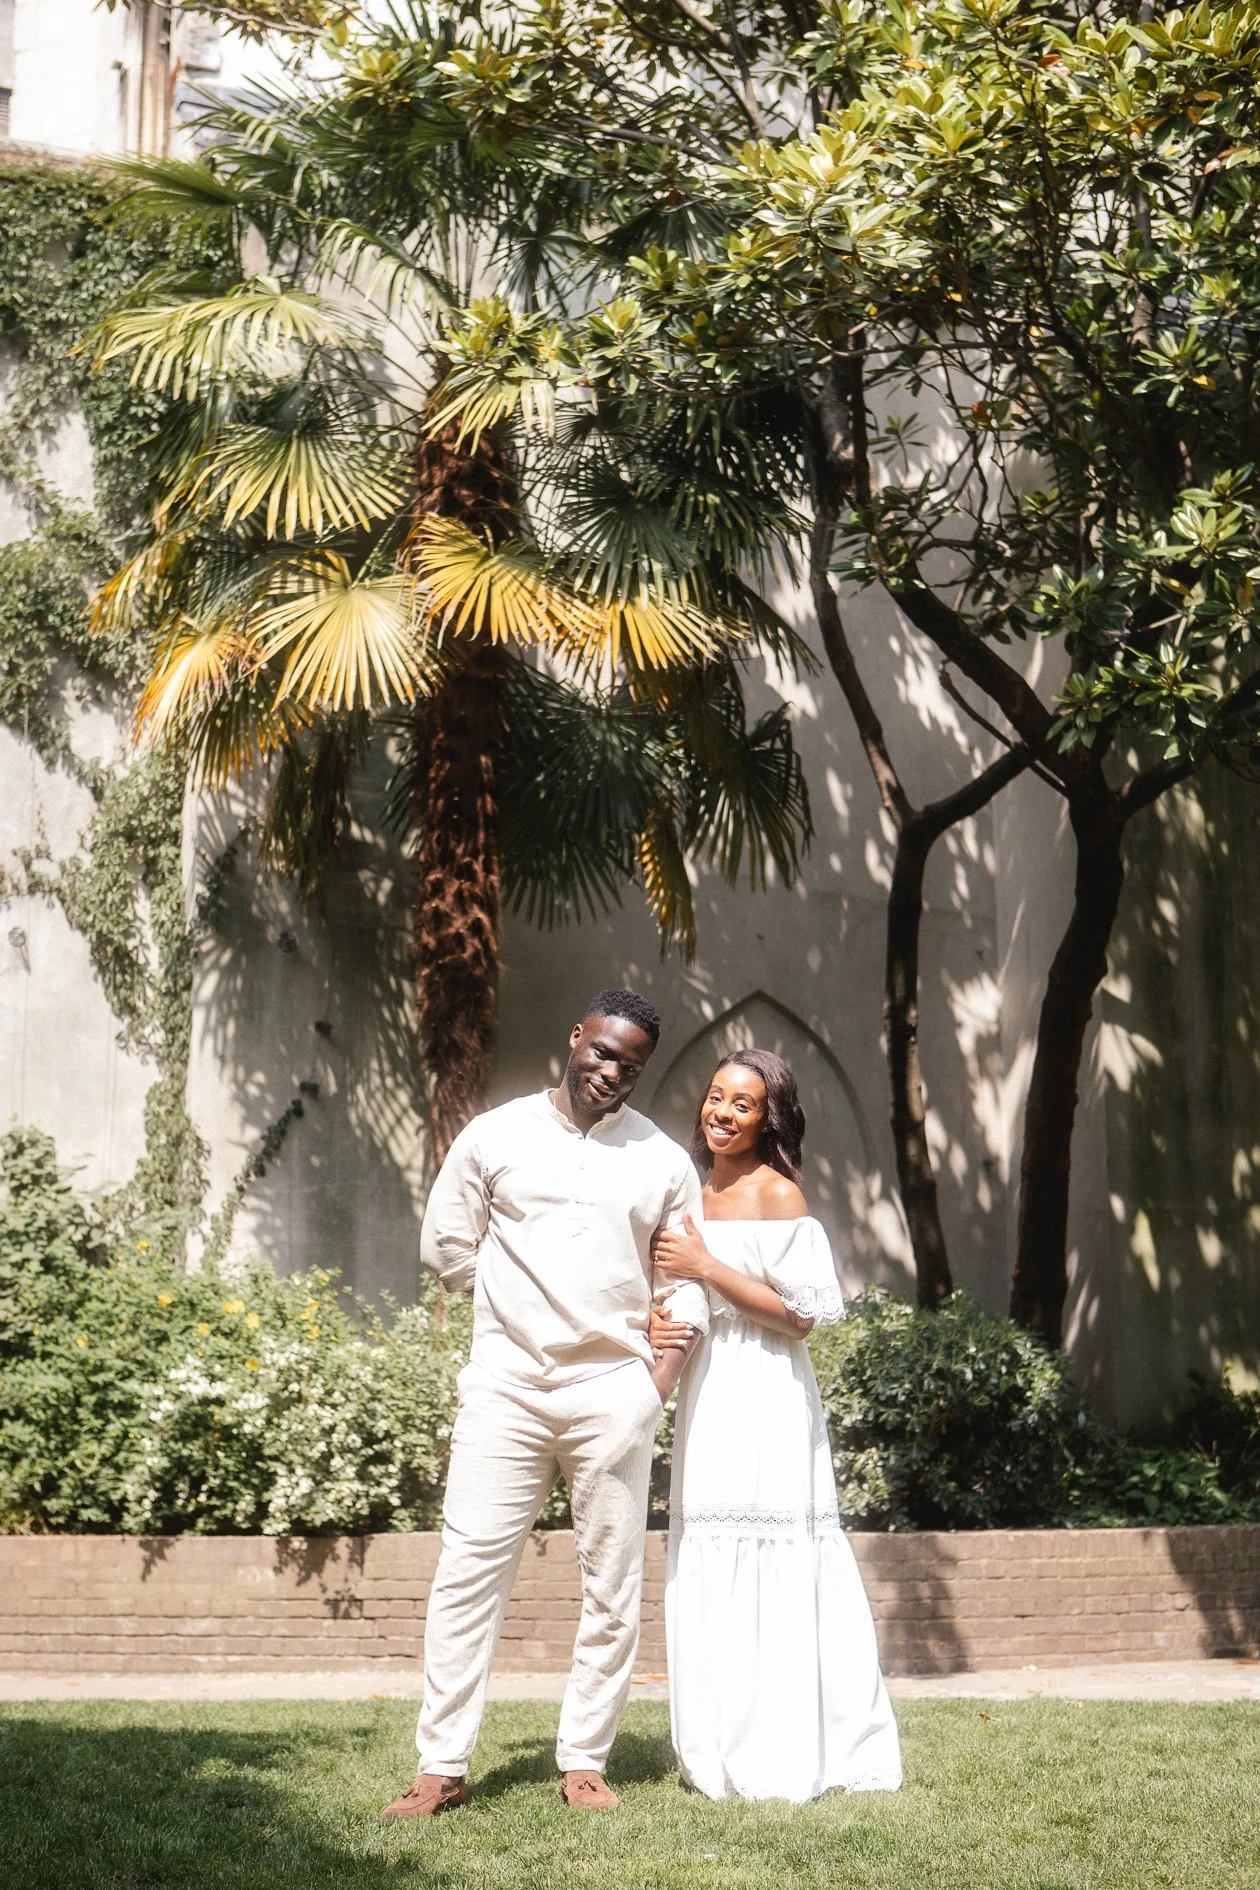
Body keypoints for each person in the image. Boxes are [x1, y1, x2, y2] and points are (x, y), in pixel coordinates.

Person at [380, 989, 708, 1821]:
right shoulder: (496, 1135)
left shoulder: (662, 1161)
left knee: (612, 1582)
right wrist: (507, 1310)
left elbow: (685, 1291)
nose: (611, 1072)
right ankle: (441, 1765)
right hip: (506, 1389)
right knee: (467, 1573)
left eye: (629, 1065)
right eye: (601, 1052)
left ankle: (585, 1760)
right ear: (575, 1038)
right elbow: (447, 1243)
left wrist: (649, 1390)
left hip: (612, 1393)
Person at [649, 1048, 903, 1803]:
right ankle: (718, 1739)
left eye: (744, 1104)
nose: (723, 1113)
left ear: (770, 1120)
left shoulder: (778, 1196)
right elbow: (673, 1294)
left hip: (766, 1389)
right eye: (716, 1097)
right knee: (710, 1546)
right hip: (706, 1389)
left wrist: (706, 1266)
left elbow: (799, 1318)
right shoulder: (688, 1193)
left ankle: (792, 1740)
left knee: (776, 1548)